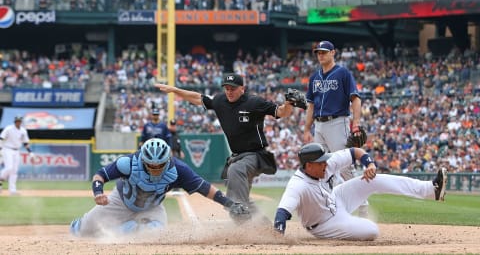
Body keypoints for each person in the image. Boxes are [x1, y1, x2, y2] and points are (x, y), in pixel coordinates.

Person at [154, 73, 294, 222]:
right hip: (237, 157)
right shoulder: (220, 101)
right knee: (236, 195)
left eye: (233, 88)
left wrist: (289, 104)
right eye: (226, 88)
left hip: (256, 155)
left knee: (235, 171)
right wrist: (175, 90)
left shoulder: (254, 102)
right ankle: (263, 225)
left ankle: (241, 218)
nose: (229, 91)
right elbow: (197, 98)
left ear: (242, 89)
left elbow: (281, 112)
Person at [70, 138, 248, 237]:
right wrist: (98, 192)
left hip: (152, 208)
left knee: (155, 234)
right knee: (81, 231)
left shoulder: (179, 170)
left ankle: (126, 228)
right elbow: (100, 175)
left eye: (159, 165)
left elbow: (205, 188)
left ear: (167, 161)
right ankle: (81, 224)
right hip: (120, 201)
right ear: (143, 160)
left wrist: (230, 204)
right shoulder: (128, 163)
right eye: (150, 165)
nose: (155, 169)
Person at [273, 142, 448, 240]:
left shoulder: (326, 165)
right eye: (321, 162)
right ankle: (349, 224)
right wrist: (276, 237)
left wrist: (370, 164)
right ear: (308, 166)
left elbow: (355, 151)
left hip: (337, 198)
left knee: (374, 179)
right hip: (324, 223)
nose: (326, 164)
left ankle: (431, 190)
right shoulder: (298, 185)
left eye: (325, 160)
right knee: (371, 231)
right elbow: (282, 212)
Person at [303, 40, 368, 216]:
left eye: (324, 51)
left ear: (333, 53)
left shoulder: (343, 73)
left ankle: (362, 206)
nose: (321, 55)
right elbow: (310, 105)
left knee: (345, 166)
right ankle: (329, 208)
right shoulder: (314, 77)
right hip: (319, 125)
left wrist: (356, 122)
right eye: (318, 52)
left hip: (338, 122)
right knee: (321, 166)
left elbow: (355, 98)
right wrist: (307, 129)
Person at [0, 116, 33, 195]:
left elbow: (25, 143)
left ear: (21, 122)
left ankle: (12, 190)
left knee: (14, 171)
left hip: (16, 151)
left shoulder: (23, 131)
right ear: (14, 121)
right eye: (16, 121)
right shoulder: (8, 128)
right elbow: (1, 138)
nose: (18, 122)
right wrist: (0, 149)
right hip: (7, 149)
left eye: (19, 121)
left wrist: (30, 152)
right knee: (9, 168)